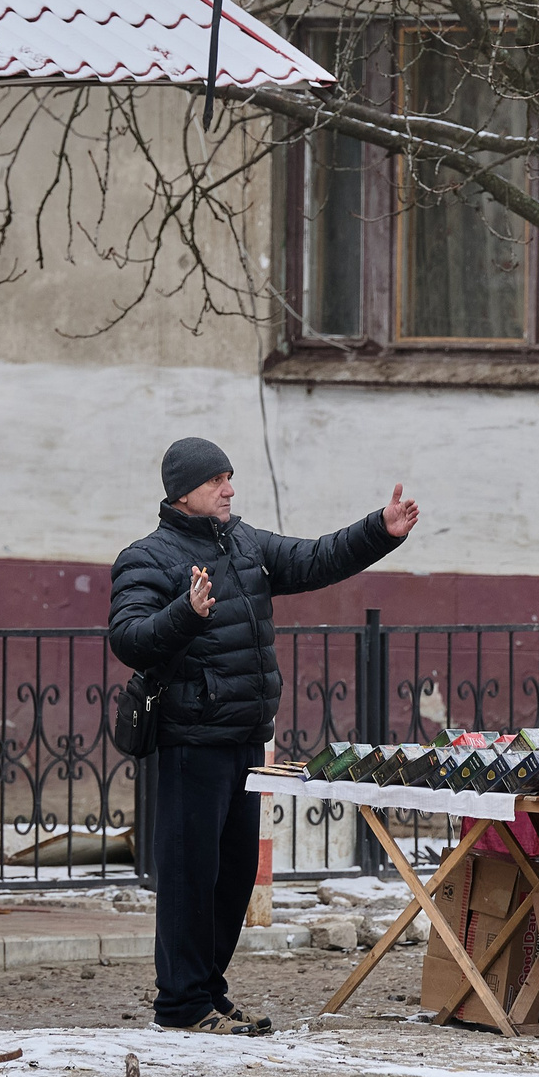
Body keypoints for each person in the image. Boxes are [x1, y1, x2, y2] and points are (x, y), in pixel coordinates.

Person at [109, 436, 419, 1035]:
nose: (229, 489)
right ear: (183, 492)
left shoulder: (244, 542)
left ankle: (208, 991)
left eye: (229, 477)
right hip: (191, 739)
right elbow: (128, 638)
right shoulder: (146, 557)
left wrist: (378, 531)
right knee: (189, 877)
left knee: (232, 878)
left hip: (246, 738)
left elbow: (315, 558)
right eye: (216, 481)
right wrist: (185, 612)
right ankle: (181, 1004)